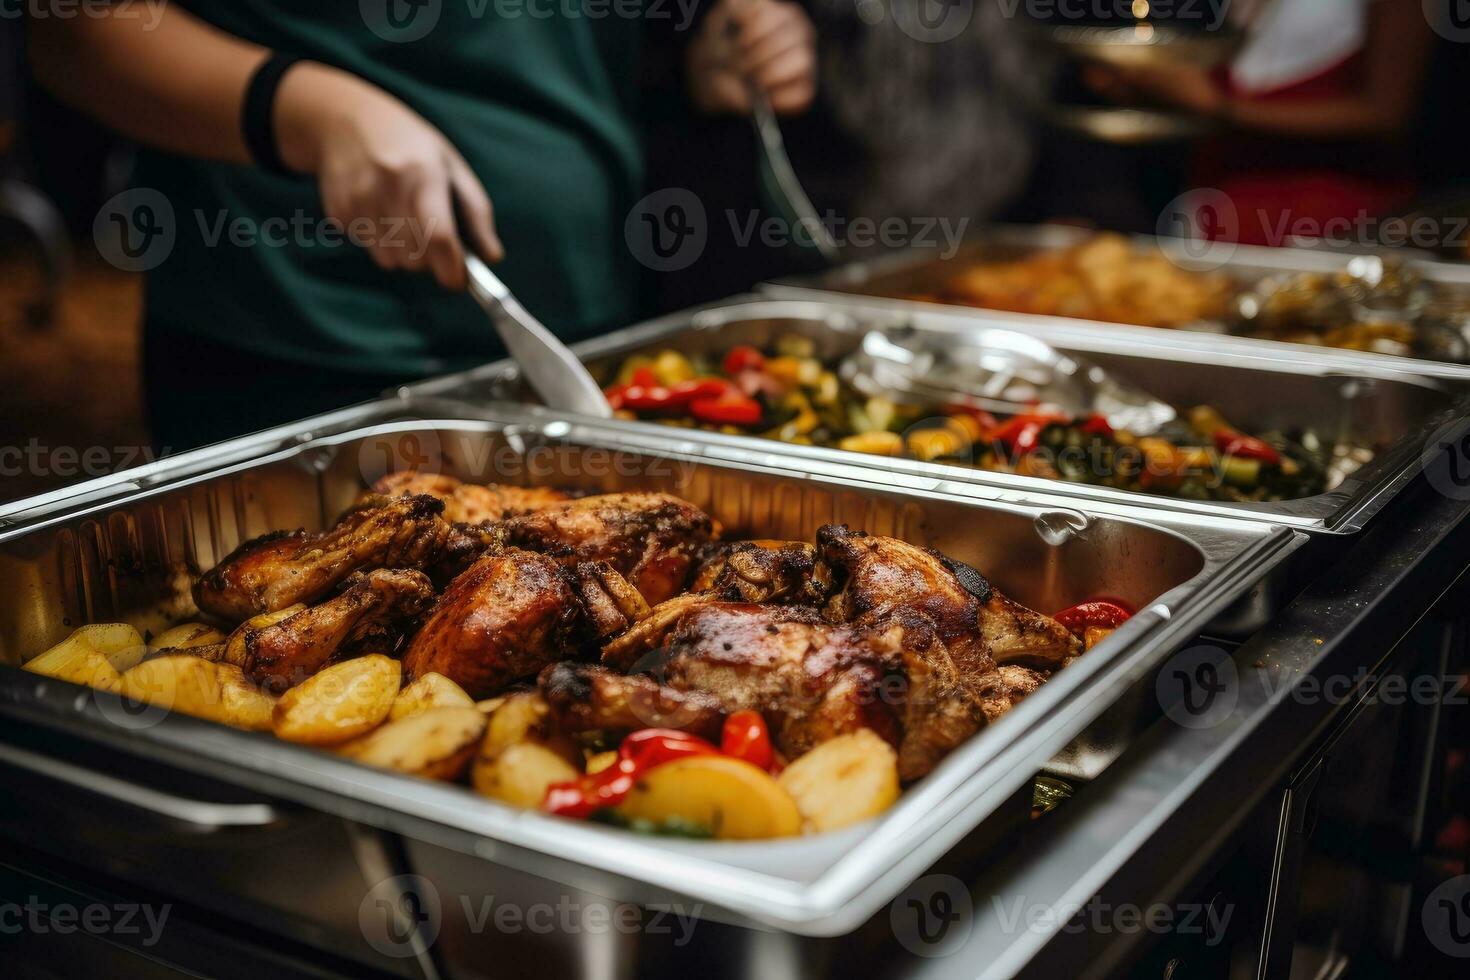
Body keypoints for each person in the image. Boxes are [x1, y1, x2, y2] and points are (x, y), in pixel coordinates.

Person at [29, 0, 817, 450]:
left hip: (590, 328)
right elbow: (74, 32)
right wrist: (306, 111)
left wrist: (693, 54)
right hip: (304, 337)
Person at [1085, 0, 1433, 246]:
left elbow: (1385, 115)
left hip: (1327, 223)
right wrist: (1151, 86)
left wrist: (1219, 107)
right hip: (1216, 211)